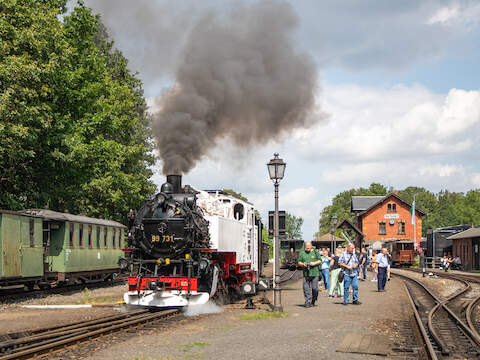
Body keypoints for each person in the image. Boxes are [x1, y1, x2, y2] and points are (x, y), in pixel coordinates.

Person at [298, 242, 322, 307]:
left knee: (315, 288)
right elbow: (299, 262)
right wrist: (303, 264)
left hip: (314, 273)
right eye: (306, 246)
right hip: (306, 274)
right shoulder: (302, 253)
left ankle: (313, 300)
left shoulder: (315, 252)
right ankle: (308, 301)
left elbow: (320, 260)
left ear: (311, 246)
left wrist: (314, 263)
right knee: (306, 288)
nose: (307, 247)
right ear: (305, 246)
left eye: (309, 245)